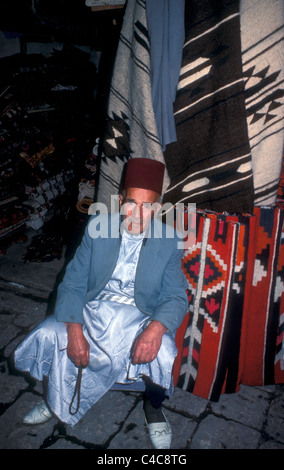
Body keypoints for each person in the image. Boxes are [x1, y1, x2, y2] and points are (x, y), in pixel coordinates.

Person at [14, 158, 188, 449]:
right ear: (120, 201)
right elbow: (72, 283)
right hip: (94, 308)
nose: (137, 214)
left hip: (139, 315)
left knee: (164, 351)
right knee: (49, 333)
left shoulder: (169, 240)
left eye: (147, 206)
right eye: (131, 203)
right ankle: (53, 399)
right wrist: (74, 330)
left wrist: (155, 330)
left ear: (157, 208)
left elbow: (176, 295)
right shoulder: (98, 227)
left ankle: (153, 408)